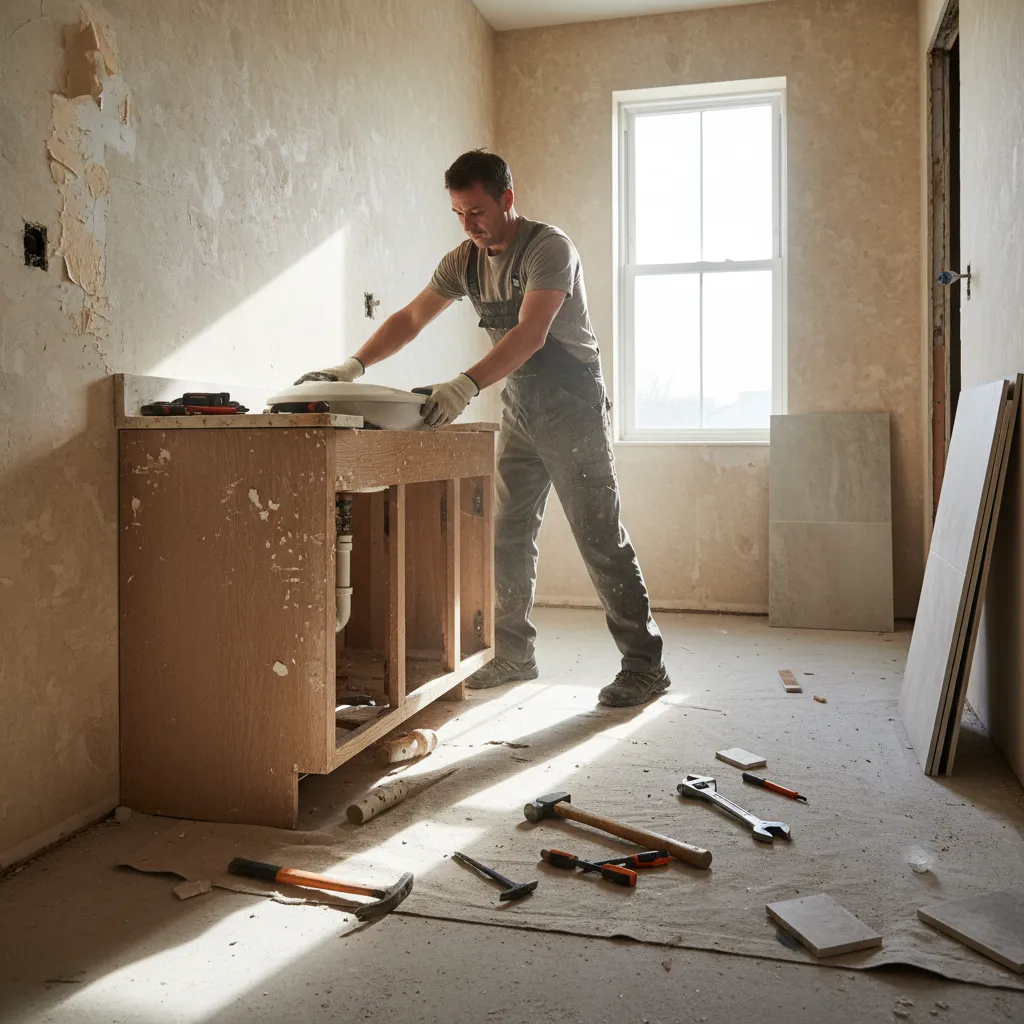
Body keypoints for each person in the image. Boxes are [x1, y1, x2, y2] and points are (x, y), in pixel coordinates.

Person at [296, 151, 667, 707]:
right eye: (458, 214)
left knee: (598, 536)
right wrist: (353, 365)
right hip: (520, 405)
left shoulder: (548, 248)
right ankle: (515, 654)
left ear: (507, 200)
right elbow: (411, 318)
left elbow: (533, 332)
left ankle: (644, 666)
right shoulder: (464, 261)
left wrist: (465, 384)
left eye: (477, 211)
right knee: (506, 533)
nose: (469, 225)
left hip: (572, 406)